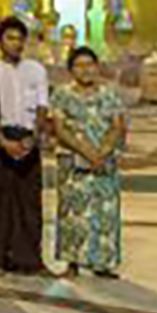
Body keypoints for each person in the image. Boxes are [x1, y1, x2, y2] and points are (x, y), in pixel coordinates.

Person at [0, 14, 51, 275]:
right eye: (10, 38)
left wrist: (33, 137)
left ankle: (30, 259)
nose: (16, 43)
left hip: (28, 137)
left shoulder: (36, 69)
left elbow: (43, 105)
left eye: (20, 39)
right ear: (0, 42)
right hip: (3, 138)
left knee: (29, 202)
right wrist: (2, 142)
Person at [49, 46, 127, 279]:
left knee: (104, 211)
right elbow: (60, 129)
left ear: (97, 67)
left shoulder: (109, 94)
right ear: (71, 70)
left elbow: (117, 125)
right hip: (73, 160)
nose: (85, 70)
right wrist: (86, 151)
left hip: (104, 161)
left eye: (89, 64)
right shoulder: (62, 94)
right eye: (79, 65)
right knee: (73, 211)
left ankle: (102, 262)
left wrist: (102, 151)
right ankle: (72, 263)